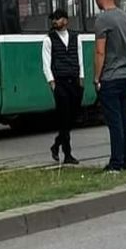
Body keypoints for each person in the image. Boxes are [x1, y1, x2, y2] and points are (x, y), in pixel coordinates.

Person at [93, 0, 126, 173]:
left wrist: (96, 77)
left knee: (114, 122)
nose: (96, 0)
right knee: (124, 119)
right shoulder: (125, 17)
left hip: (110, 76)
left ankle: (115, 163)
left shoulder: (103, 20)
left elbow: (100, 52)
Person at [42, 9, 83, 165]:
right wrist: (52, 83)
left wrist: (81, 78)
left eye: (58, 19)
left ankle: (56, 144)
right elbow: (46, 63)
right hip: (60, 82)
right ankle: (68, 153)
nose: (55, 21)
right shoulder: (48, 40)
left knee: (73, 118)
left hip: (74, 80)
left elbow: (80, 59)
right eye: (53, 19)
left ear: (66, 20)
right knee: (64, 116)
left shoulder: (75, 38)